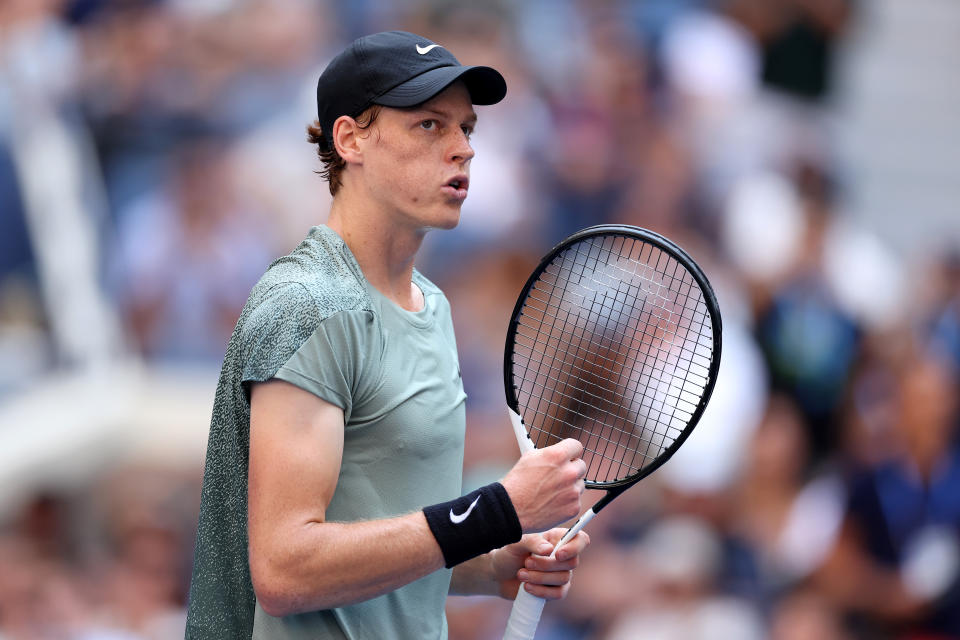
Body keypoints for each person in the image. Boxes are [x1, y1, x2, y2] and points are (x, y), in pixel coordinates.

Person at [185, 30, 590, 640]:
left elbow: (386, 531)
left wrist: (492, 563)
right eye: (430, 126)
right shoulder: (307, 306)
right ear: (350, 140)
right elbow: (286, 570)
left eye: (467, 129)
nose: (463, 150)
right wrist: (494, 512)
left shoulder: (434, 306)